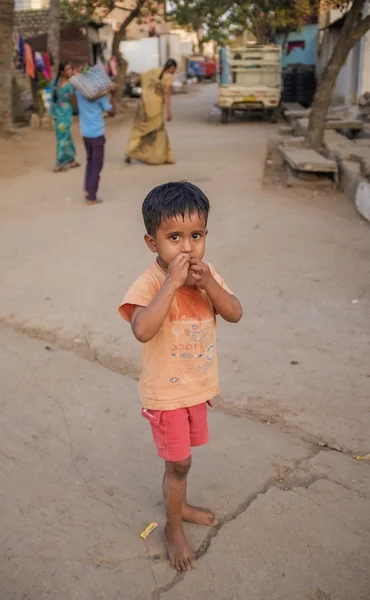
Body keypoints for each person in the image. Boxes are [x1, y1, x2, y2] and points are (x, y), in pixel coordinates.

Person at [119, 182, 243, 571]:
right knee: (179, 464)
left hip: (196, 389)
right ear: (151, 242)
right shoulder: (151, 283)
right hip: (166, 396)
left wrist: (207, 283)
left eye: (196, 236)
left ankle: (181, 504)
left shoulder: (208, 276)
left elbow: (235, 312)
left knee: (183, 463)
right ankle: (173, 527)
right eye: (174, 237)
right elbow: (142, 329)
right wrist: (172, 283)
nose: (187, 248)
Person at [125, 59, 177, 166]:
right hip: (156, 109)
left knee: (141, 130)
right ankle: (157, 157)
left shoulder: (154, 71)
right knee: (158, 132)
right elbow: (166, 94)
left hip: (145, 106)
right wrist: (168, 111)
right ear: (171, 68)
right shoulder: (168, 76)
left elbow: (140, 78)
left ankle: (131, 151)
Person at [75, 86, 116, 204]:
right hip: (97, 134)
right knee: (96, 165)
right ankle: (92, 196)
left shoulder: (79, 93)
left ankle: (88, 190)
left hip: (85, 133)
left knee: (90, 161)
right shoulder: (101, 98)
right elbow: (112, 112)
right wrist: (113, 94)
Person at [50, 62, 79, 172]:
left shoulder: (64, 83)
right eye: (68, 70)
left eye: (71, 69)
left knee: (64, 135)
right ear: (62, 72)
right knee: (63, 136)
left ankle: (65, 161)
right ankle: (65, 161)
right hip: (59, 112)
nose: (70, 71)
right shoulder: (59, 83)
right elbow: (53, 99)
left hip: (64, 112)